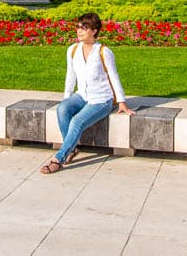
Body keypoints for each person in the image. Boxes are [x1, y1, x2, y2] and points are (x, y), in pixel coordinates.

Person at [40, 12, 135, 175]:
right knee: (62, 109)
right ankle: (71, 149)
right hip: (81, 95)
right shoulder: (72, 50)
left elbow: (114, 76)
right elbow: (70, 76)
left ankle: (59, 158)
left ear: (95, 31)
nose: (79, 30)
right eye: (78, 27)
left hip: (101, 99)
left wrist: (121, 102)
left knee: (77, 121)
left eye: (84, 27)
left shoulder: (104, 52)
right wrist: (67, 99)